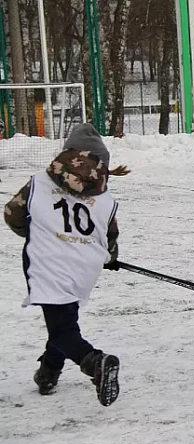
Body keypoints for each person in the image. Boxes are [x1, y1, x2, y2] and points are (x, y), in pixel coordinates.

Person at [4, 123, 129, 406]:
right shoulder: (105, 199)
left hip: (47, 262)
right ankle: (49, 372)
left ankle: (94, 362)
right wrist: (109, 256)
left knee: (62, 327)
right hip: (83, 267)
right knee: (62, 318)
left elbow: (13, 214)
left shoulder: (40, 181)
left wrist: (36, 232)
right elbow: (110, 237)